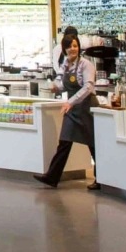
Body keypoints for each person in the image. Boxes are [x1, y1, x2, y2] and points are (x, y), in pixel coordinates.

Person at [34, 33, 101, 191]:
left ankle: (102, 178)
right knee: (64, 141)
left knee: (93, 145)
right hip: (72, 108)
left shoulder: (86, 65)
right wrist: (56, 87)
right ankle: (52, 176)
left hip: (86, 108)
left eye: (75, 46)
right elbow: (66, 84)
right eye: (69, 46)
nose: (73, 49)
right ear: (64, 49)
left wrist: (70, 102)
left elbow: (88, 87)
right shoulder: (66, 64)